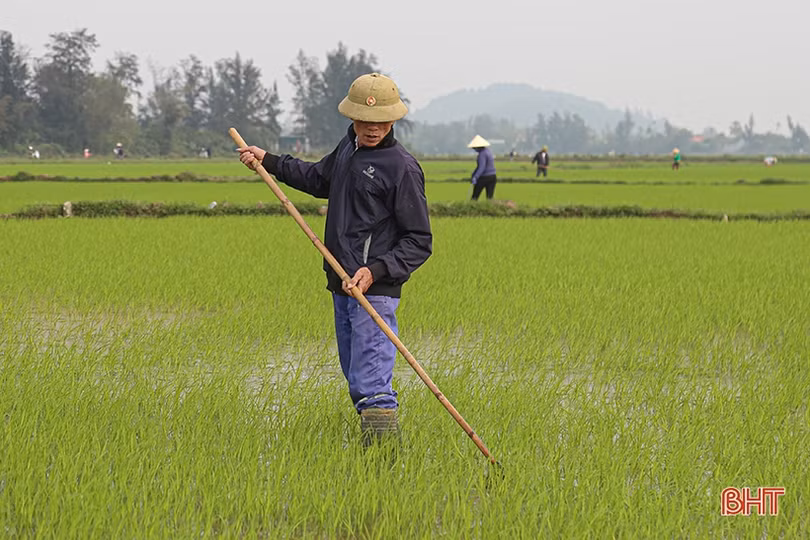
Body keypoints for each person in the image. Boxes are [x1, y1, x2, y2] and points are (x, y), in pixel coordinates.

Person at [237, 73, 432, 444]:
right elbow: (317, 178)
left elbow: (419, 240)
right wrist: (270, 161)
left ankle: (385, 469)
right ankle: (371, 461)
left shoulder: (401, 167)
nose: (372, 129)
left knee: (372, 381)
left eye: (380, 122)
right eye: (364, 120)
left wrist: (375, 271)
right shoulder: (349, 150)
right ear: (352, 118)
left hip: (373, 288)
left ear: (392, 120)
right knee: (357, 378)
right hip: (341, 284)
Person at [468, 135, 496, 200]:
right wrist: (474, 174)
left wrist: (475, 177)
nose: (474, 149)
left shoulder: (482, 154)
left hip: (484, 177)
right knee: (489, 198)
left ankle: (472, 207)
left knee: (475, 197)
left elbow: (481, 167)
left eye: (474, 147)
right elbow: (479, 167)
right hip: (492, 177)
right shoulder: (488, 151)